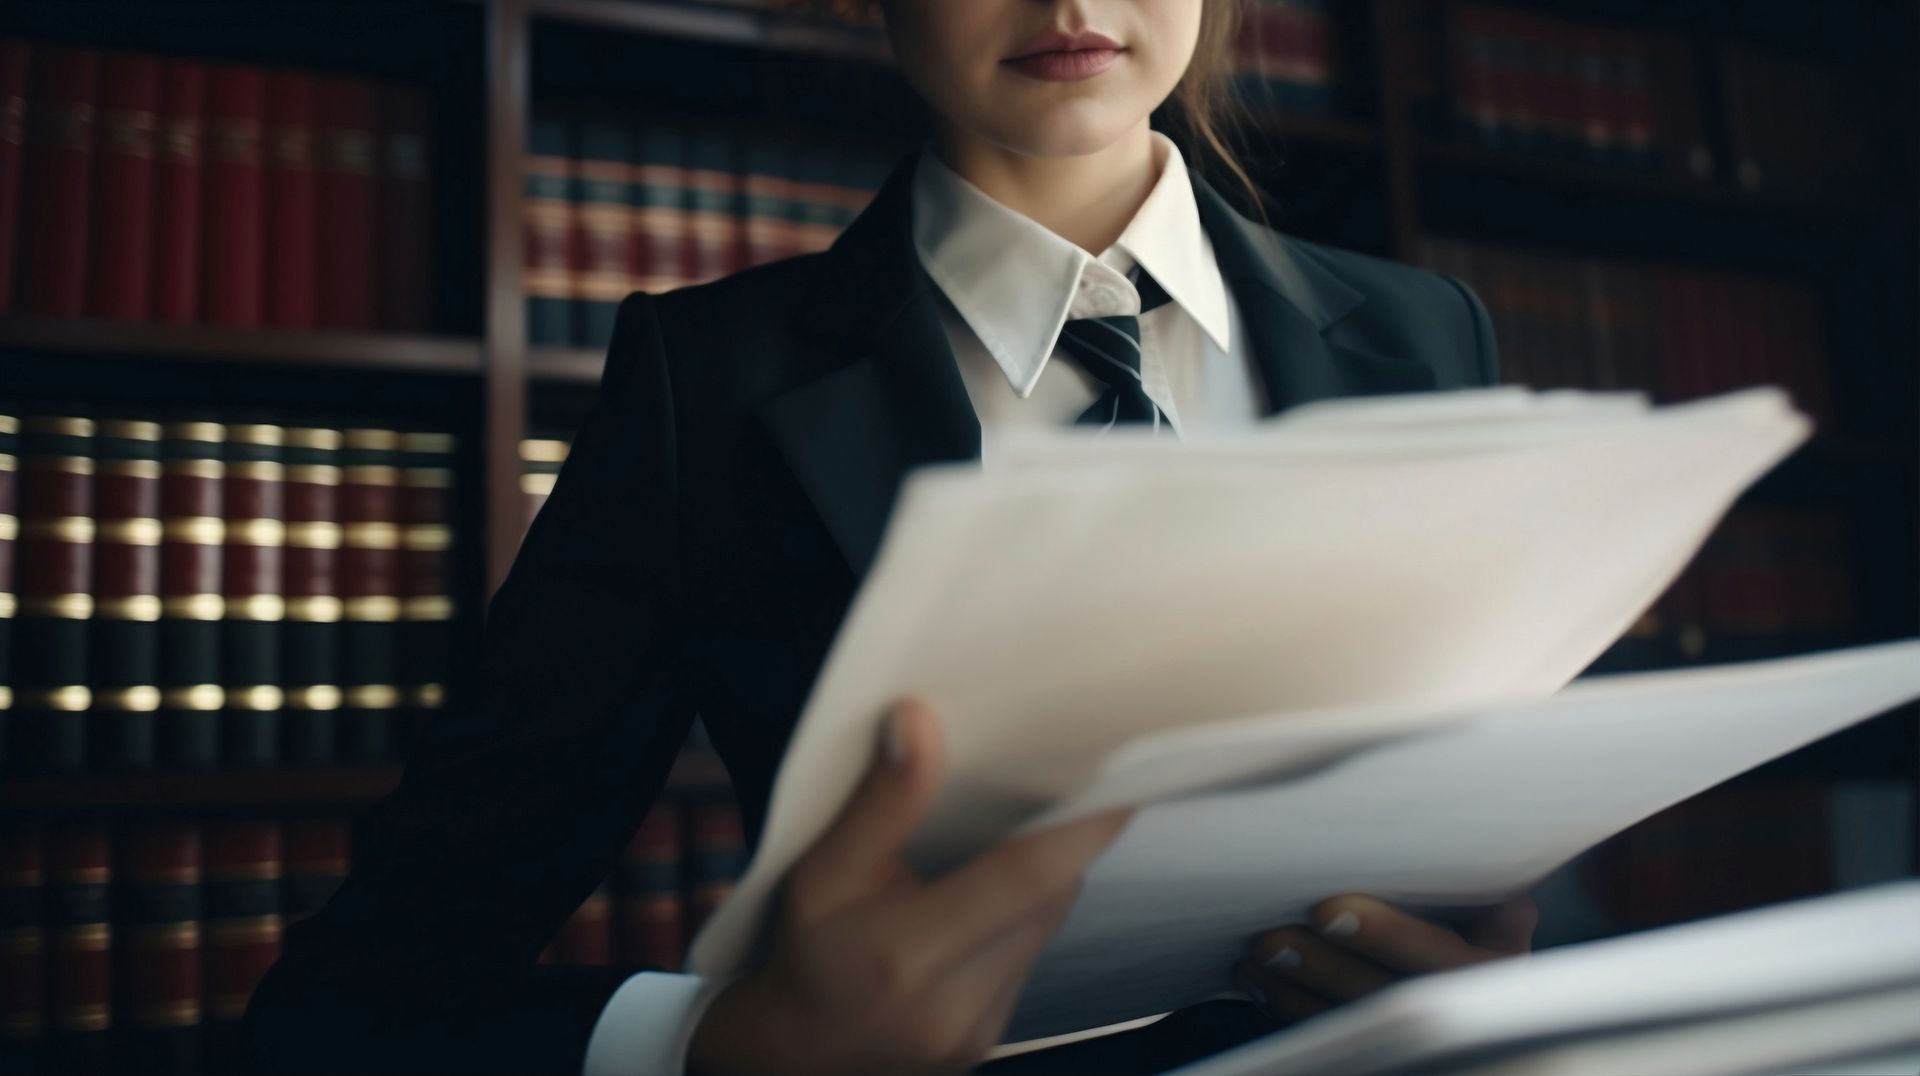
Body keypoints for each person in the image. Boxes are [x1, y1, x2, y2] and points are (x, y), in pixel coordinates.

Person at [245, 0, 1535, 1072]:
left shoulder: (1426, 332)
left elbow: (1523, 807)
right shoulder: (711, 387)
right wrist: (722, 1045)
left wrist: (1504, 978)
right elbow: (349, 1001)